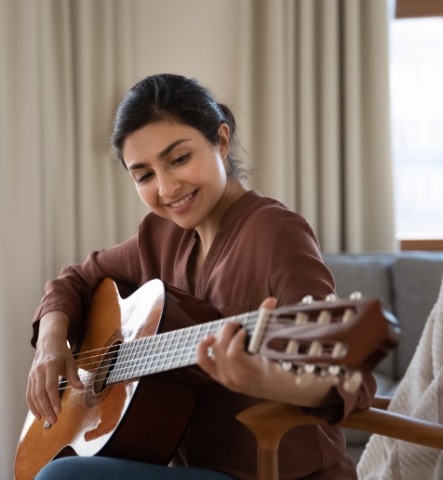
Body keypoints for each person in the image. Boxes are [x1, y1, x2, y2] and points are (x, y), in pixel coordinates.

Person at [26, 73, 376, 479]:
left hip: (275, 473)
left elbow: (354, 380)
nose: (167, 187)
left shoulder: (277, 233)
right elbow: (75, 278)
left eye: (179, 159)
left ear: (221, 141)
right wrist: (50, 342)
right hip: (187, 466)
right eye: (144, 176)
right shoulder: (157, 236)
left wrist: (268, 380)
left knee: (62, 477)